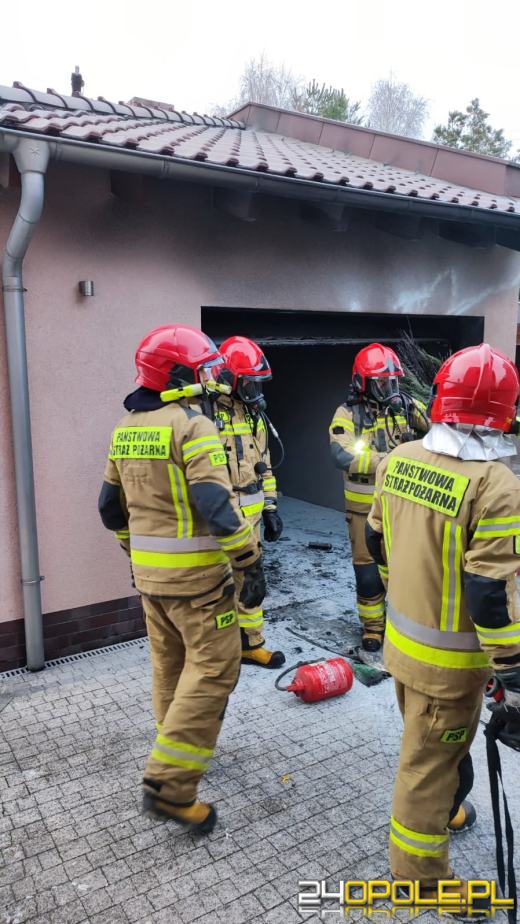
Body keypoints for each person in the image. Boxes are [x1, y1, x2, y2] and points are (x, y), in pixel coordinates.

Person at [366, 343, 520, 906]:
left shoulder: (399, 458)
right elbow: (489, 593)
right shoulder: (496, 485)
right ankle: (421, 880)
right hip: (451, 668)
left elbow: (376, 541)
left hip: (403, 646)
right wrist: (513, 671)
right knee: (425, 768)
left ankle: (447, 810)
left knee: (427, 749)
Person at [98, 324, 265, 834]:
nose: (212, 380)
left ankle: (175, 747)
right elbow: (215, 504)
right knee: (215, 670)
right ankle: (171, 785)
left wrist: (136, 553)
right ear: (176, 376)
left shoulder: (126, 427)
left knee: (169, 665)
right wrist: (248, 561)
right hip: (199, 584)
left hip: (150, 582)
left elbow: (109, 509)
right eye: (203, 371)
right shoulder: (193, 426)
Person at [329, 343, 428, 652]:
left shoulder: (406, 407)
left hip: (402, 507)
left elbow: (437, 429)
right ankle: (373, 628)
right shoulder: (346, 414)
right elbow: (342, 454)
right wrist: (391, 460)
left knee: (405, 568)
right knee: (368, 573)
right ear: (362, 383)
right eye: (382, 383)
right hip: (363, 510)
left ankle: (401, 626)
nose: (390, 389)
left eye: (393, 382)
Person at [212, 335, 285, 669]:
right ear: (229, 379)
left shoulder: (255, 417)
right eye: (250, 384)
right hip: (220, 520)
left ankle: (252, 645)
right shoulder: (205, 415)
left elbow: (265, 466)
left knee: (252, 584)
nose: (256, 391)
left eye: (258, 384)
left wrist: (270, 508)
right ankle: (218, 649)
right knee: (218, 585)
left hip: (252, 521)